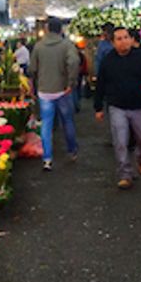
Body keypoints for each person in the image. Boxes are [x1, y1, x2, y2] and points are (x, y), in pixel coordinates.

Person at [95, 26, 141, 189]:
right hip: (117, 106)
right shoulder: (108, 61)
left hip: (140, 106)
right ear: (112, 43)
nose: (123, 41)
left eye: (126, 37)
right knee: (120, 141)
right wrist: (98, 107)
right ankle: (125, 174)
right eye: (119, 39)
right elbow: (100, 85)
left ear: (131, 39)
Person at [27, 20, 80, 171]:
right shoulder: (66, 45)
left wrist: (33, 85)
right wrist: (71, 82)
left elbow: (32, 69)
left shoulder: (38, 46)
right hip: (62, 90)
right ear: (60, 29)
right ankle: (72, 151)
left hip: (44, 91)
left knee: (46, 124)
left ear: (47, 29)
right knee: (67, 122)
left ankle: (47, 159)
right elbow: (74, 61)